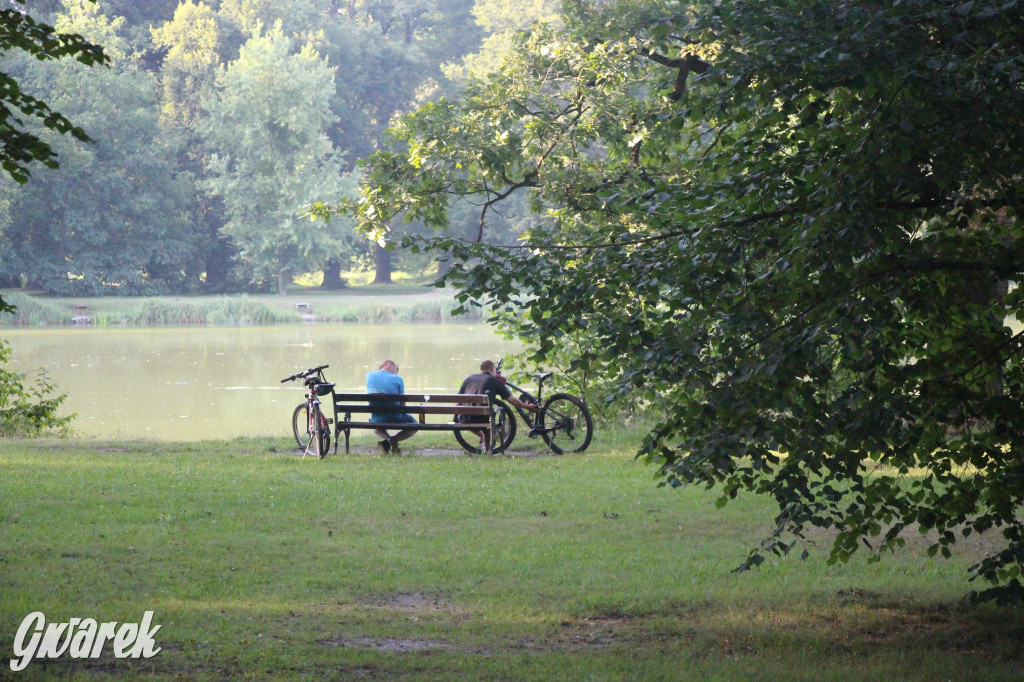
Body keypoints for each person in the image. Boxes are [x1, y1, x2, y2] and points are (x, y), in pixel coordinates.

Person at [458, 359, 536, 452]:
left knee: (471, 418)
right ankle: (487, 452)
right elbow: (512, 400)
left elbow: (458, 401)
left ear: (481, 369)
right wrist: (527, 406)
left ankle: (484, 439)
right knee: (486, 424)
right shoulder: (494, 381)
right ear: (492, 369)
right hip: (483, 420)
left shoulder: (469, 378)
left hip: (464, 419)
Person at [366, 359, 417, 454]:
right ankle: (394, 440)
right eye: (397, 369)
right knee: (415, 425)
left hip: (377, 418)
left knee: (375, 426)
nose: (397, 372)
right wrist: (404, 413)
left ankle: (389, 440)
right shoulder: (398, 379)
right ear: (389, 365)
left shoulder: (369, 375)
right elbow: (403, 402)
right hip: (395, 416)